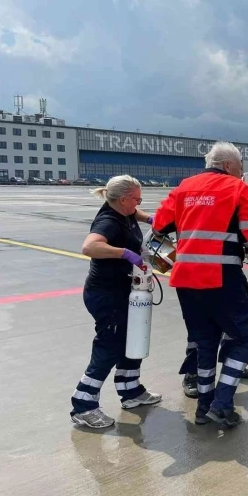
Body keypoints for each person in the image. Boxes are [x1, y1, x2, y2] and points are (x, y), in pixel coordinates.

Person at [152, 141, 248, 428]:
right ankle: (222, 402)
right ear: (229, 165)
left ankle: (204, 407)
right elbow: (246, 230)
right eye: (240, 168)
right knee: (246, 336)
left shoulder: (183, 188)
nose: (241, 173)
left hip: (186, 279)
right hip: (222, 277)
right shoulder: (236, 187)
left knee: (205, 341)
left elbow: (159, 224)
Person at [70, 175, 162, 429]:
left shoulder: (125, 212)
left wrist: (152, 219)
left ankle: (131, 391)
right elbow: (89, 247)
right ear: (123, 199)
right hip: (106, 295)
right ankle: (83, 405)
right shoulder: (108, 221)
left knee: (132, 338)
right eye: (137, 199)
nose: (139, 203)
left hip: (124, 293)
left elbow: (138, 213)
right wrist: (124, 252)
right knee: (109, 346)